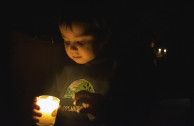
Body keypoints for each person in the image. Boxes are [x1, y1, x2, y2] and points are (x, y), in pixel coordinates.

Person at [32, 4, 156, 126]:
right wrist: (40, 112)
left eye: (81, 41)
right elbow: (52, 106)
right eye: (67, 41)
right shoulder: (64, 71)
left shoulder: (118, 71)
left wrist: (106, 111)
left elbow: (137, 115)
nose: (72, 48)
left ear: (104, 37)